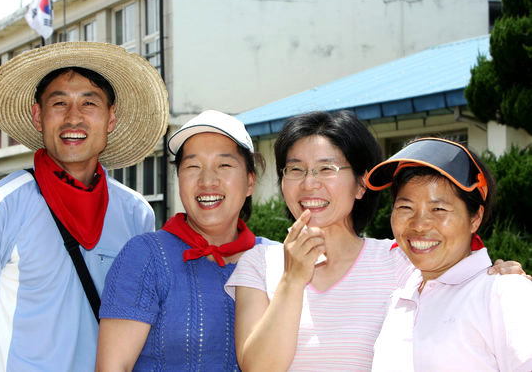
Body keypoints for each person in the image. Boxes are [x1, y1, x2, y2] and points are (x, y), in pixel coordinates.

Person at [225, 111, 527, 371]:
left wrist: (500, 278)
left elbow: (458, 278)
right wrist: (292, 280)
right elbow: (259, 367)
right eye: (295, 169)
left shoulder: (403, 263)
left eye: (326, 168)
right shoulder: (259, 262)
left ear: (361, 184)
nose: (309, 183)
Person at [0, 42, 169, 371]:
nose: (73, 117)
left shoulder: (136, 214)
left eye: (89, 103)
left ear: (111, 118)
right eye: (59, 103)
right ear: (38, 116)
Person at [95, 110, 277, 371]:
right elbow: (113, 367)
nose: (207, 180)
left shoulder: (275, 259)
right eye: (193, 166)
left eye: (224, 165)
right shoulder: (145, 256)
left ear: (250, 182)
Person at [366, 137, 532, 371]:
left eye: (439, 209)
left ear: (475, 217)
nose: (420, 225)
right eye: (405, 207)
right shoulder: (400, 300)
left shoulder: (504, 295)